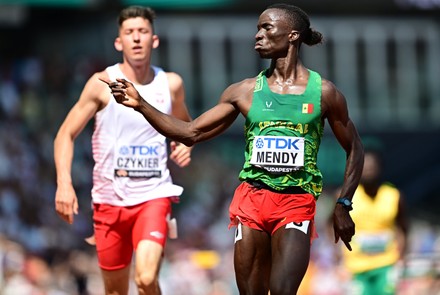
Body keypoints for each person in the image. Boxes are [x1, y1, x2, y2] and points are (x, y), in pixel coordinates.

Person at [102, 3, 364, 294]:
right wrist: (140, 104)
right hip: (251, 201)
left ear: (292, 36)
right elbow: (190, 132)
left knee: (281, 290)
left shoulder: (324, 92)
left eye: (266, 27)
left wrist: (343, 204)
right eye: (257, 28)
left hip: (295, 201)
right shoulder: (244, 91)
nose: (258, 35)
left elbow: (354, 148)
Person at [53, 6, 193, 295]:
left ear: (154, 40)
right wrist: (64, 184)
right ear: (119, 42)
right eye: (129, 33)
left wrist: (183, 144)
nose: (137, 38)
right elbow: (65, 134)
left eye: (143, 32)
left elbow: (185, 126)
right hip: (108, 201)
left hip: (153, 196)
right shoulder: (101, 84)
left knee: (144, 278)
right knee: (116, 291)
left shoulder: (171, 84)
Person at [339, 148, 409, 295]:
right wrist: (338, 259)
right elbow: (331, 227)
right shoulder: (346, 198)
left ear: (380, 168)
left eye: (372, 167)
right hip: (355, 267)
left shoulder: (394, 196)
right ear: (358, 170)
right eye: (365, 167)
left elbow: (404, 229)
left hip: (386, 264)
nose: (369, 171)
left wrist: (402, 258)